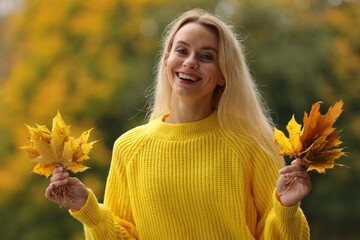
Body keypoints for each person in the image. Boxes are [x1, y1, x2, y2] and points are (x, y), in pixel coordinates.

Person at [45, 8, 312, 239]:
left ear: (223, 74)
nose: (190, 62)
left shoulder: (253, 143)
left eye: (206, 56)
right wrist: (88, 210)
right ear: (165, 61)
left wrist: (287, 209)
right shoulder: (129, 147)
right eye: (182, 50)